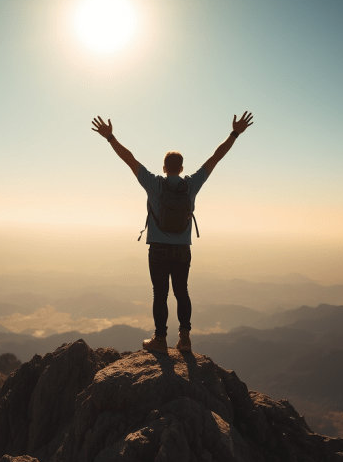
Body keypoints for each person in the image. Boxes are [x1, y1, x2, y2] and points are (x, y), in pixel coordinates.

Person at [91, 112, 254, 354]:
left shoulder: (154, 183)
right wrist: (234, 133)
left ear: (165, 167)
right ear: (182, 168)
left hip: (157, 248)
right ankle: (185, 339)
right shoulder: (191, 184)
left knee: (160, 294)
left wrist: (110, 137)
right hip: (182, 249)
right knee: (182, 291)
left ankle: (159, 340)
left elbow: (129, 159)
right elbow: (215, 157)